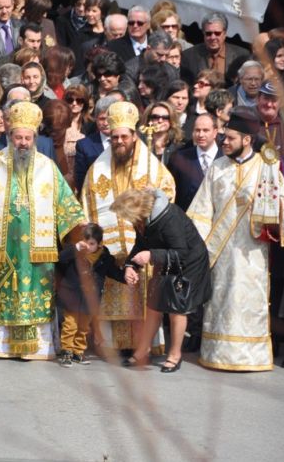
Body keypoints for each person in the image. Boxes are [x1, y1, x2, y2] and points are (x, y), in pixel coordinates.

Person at [0, 101, 85, 359]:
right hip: (4, 251)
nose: (22, 142)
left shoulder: (48, 168)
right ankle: (1, 346)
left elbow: (67, 204)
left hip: (37, 255)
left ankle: (37, 348)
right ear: (10, 137)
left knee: (36, 299)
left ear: (34, 139)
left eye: (27, 138)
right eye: (18, 137)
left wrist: (80, 229)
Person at [188, 110, 284, 371]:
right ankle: (217, 354)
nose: (224, 142)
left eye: (230, 138)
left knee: (249, 301)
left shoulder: (266, 168)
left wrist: (271, 205)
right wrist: (200, 246)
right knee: (220, 300)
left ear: (247, 139)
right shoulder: (217, 168)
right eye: (224, 137)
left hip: (252, 251)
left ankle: (251, 356)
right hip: (220, 252)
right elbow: (201, 210)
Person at [80, 101, 176, 353]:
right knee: (116, 294)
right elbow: (88, 206)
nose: (120, 141)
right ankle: (117, 347)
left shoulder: (152, 167)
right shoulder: (96, 170)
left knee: (143, 296)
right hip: (112, 249)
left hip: (143, 245)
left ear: (134, 136)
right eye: (115, 137)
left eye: (124, 136)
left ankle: (142, 347)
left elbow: (168, 195)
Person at [112, 188, 212, 372]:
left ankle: (175, 355)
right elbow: (140, 245)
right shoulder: (142, 219)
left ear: (137, 211)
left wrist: (151, 254)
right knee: (153, 305)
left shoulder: (168, 218)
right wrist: (130, 266)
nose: (126, 220)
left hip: (189, 262)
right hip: (166, 259)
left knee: (177, 308)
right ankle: (143, 351)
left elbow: (182, 252)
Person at [56, 223, 122, 367]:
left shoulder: (105, 258)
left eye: (91, 243)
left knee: (84, 327)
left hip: (89, 300)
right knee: (70, 325)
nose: (87, 246)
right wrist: (76, 249)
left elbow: (114, 273)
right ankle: (66, 351)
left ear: (99, 244)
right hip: (72, 296)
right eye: (84, 242)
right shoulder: (73, 251)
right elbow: (60, 258)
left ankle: (78, 352)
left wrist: (127, 276)